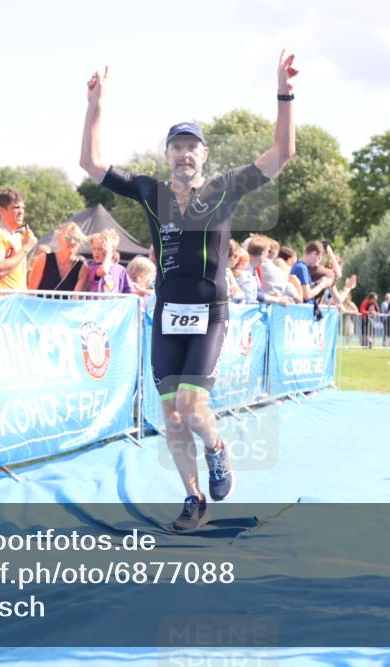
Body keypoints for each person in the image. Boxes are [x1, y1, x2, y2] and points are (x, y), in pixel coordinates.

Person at [79, 50, 298, 530]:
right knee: (171, 417)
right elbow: (90, 162)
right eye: (175, 145)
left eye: (191, 145)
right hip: (167, 313)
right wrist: (95, 104)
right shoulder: (149, 191)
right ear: (167, 155)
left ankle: (217, 449)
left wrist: (284, 92)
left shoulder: (225, 188)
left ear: (204, 155)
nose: (183, 152)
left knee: (193, 407)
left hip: (211, 312)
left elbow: (282, 154)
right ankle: (194, 497)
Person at [0, 188, 38, 293]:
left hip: (17, 302)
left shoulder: (18, 236)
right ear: (1, 210)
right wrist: (27, 248)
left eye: (22, 208)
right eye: (16, 207)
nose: (21, 212)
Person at [29, 221, 87, 292]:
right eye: (68, 238)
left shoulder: (83, 268)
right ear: (60, 239)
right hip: (41, 303)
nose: (72, 242)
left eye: (76, 239)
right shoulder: (43, 259)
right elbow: (31, 292)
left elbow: (75, 299)